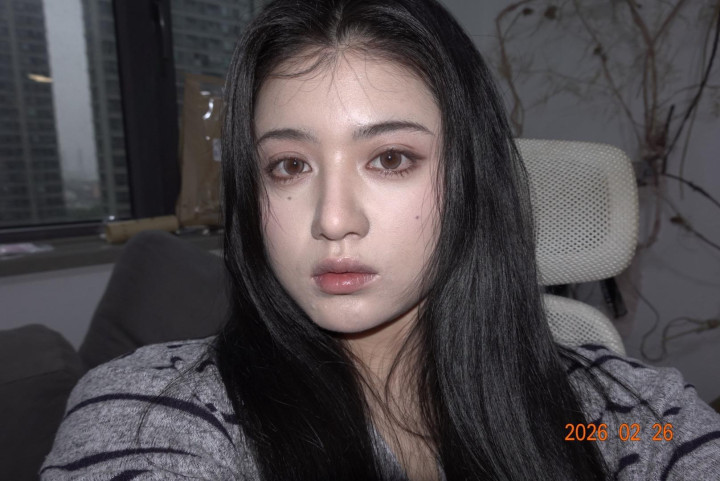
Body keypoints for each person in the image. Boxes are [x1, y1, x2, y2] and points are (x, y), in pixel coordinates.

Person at [41, 0, 720, 479]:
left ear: (471, 180)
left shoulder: (615, 412)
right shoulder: (153, 414)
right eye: (289, 166)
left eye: (391, 158)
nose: (334, 219)